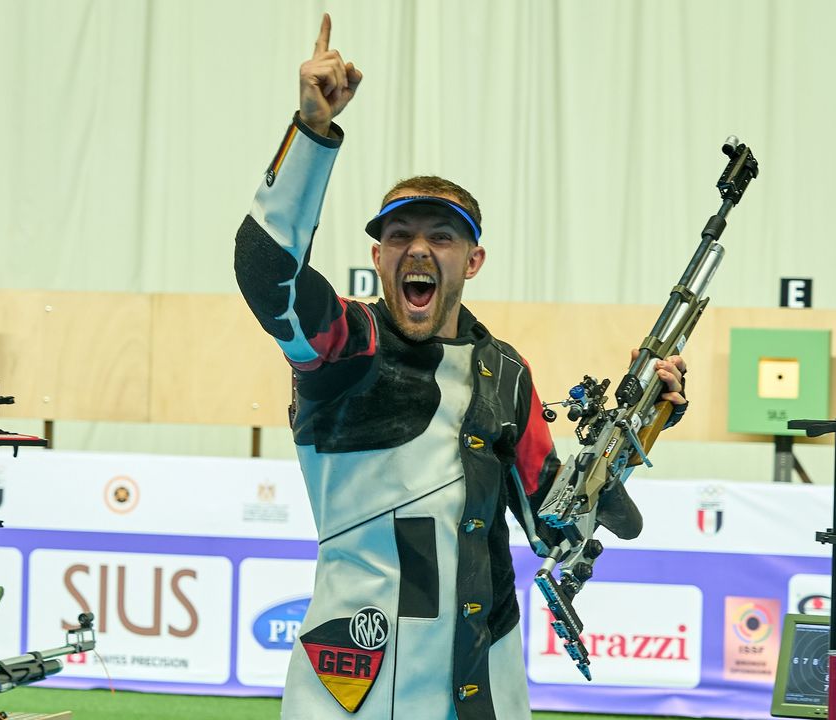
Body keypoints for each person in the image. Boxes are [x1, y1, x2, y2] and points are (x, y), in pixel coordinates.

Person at [234, 15, 688, 720]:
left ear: (472, 261)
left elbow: (556, 526)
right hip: (361, 668)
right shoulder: (347, 346)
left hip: (486, 671)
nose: (418, 249)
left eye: (441, 237)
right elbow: (269, 276)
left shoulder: (504, 371)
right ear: (378, 257)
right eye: (400, 236)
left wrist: (640, 424)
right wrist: (312, 132)